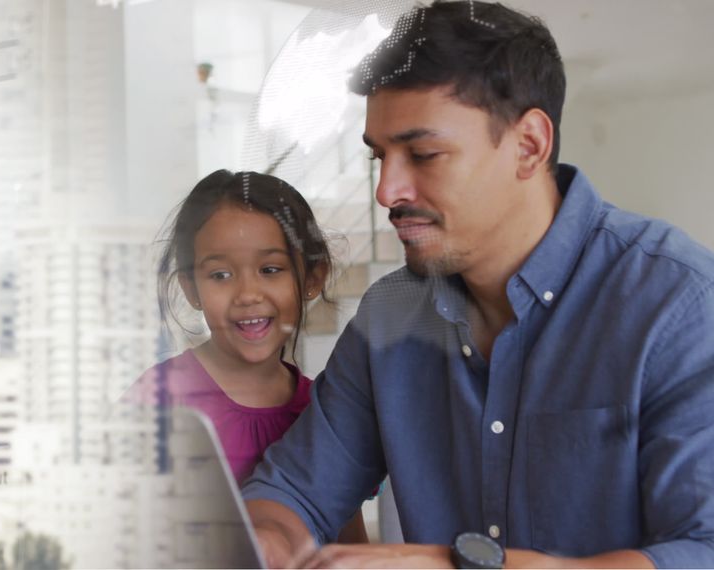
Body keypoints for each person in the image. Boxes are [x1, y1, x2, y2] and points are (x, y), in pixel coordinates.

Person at [241, 1, 714, 568]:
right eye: (379, 157)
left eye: (423, 154)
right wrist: (261, 541)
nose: (387, 191)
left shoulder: (677, 304)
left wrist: (452, 564)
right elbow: (294, 491)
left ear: (529, 145)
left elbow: (701, 548)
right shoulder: (390, 314)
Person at [127, 169, 369, 540]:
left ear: (311, 279)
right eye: (221, 275)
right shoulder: (159, 400)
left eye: (270, 270)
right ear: (191, 288)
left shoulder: (323, 411)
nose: (247, 294)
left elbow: (348, 542)